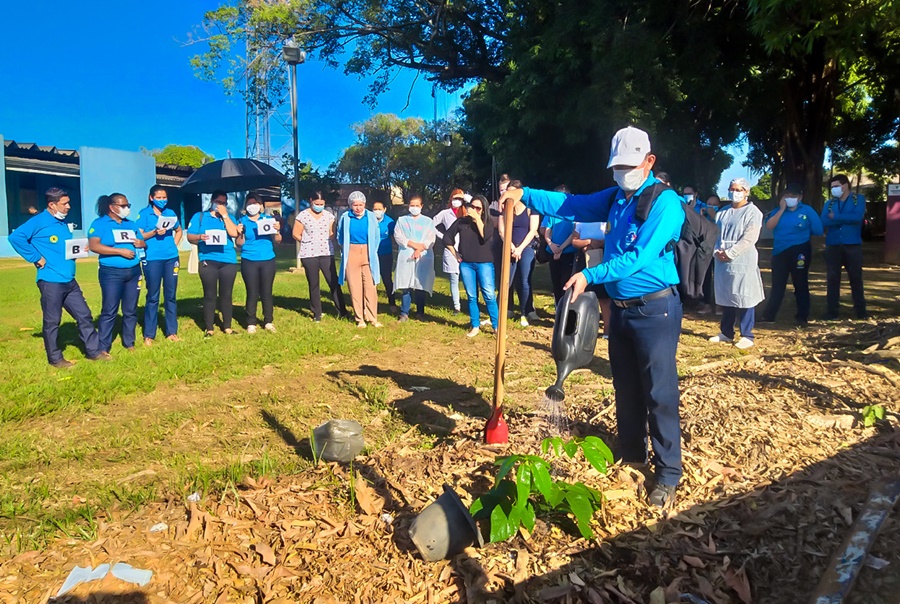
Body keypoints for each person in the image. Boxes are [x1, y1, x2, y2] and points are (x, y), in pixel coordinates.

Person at [501, 126, 685, 508]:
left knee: (659, 391)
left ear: (649, 162)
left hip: (655, 309)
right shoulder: (617, 198)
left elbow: (639, 257)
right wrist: (526, 194)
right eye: (617, 167)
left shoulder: (666, 204)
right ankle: (632, 452)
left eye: (628, 167)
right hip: (620, 311)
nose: (622, 174)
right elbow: (574, 205)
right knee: (625, 386)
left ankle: (668, 472)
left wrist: (590, 274)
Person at [9, 187, 109, 367]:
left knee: (84, 316)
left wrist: (79, 249)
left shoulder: (62, 223)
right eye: (64, 203)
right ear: (52, 205)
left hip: (69, 279)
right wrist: (35, 257)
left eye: (68, 202)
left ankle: (94, 352)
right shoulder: (39, 221)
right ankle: (55, 358)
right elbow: (15, 238)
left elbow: (62, 248)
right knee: (52, 321)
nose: (68, 206)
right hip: (50, 281)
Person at [708, 178, 764, 349]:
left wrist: (731, 252)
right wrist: (717, 251)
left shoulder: (753, 212)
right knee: (727, 294)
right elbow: (716, 234)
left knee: (744, 295)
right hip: (722, 260)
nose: (735, 193)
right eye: (732, 189)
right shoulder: (722, 212)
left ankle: (747, 334)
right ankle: (726, 332)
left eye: (739, 189)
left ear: (746, 192)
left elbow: (749, 237)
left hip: (743, 259)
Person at [88, 193, 146, 352]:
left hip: (134, 271)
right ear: (112, 207)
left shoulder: (131, 224)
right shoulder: (99, 224)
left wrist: (141, 243)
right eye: (123, 206)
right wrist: (120, 251)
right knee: (109, 310)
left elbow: (143, 242)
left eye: (128, 205)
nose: (126, 208)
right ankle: (103, 346)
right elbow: (94, 246)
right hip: (111, 273)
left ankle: (129, 342)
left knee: (130, 310)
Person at [760, 185, 823, 326]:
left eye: (793, 196)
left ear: (800, 197)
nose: (789, 198)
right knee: (778, 284)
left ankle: (802, 316)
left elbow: (818, 229)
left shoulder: (807, 210)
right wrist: (781, 210)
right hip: (780, 251)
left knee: (800, 282)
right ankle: (769, 315)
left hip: (800, 249)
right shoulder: (777, 211)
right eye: (786, 195)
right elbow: (769, 226)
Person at [186, 190, 241, 336]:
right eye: (218, 202)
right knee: (210, 294)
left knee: (226, 295)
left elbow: (234, 234)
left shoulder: (230, 217)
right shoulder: (200, 216)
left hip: (228, 260)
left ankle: (227, 326)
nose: (220, 205)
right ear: (212, 201)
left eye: (223, 203)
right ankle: (209, 328)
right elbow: (190, 236)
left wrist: (225, 216)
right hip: (208, 259)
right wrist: (200, 237)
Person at [444, 195, 499, 337]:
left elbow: (484, 236)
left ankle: (496, 327)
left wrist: (477, 219)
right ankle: (475, 325)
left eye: (478, 208)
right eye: (472, 207)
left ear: (483, 209)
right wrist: (455, 253)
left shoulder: (488, 222)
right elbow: (447, 238)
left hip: (485, 264)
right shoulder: (462, 222)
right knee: (472, 296)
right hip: (467, 264)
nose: (474, 210)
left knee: (489, 295)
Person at [135, 184, 182, 346]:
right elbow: (139, 236)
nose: (162, 200)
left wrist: (174, 246)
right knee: (153, 296)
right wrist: (154, 232)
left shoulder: (170, 213)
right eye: (159, 197)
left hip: (171, 258)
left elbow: (179, 230)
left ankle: (171, 332)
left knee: (171, 295)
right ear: (151, 198)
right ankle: (149, 334)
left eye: (164, 197)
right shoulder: (144, 214)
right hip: (152, 258)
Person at [293, 193, 347, 322]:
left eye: (321, 204)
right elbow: (296, 233)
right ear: (311, 201)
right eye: (316, 204)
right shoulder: (302, 216)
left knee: (333, 282)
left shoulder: (329, 216)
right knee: (314, 283)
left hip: (326, 252)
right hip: (309, 254)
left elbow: (332, 234)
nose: (319, 206)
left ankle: (342, 311)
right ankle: (317, 313)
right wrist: (307, 241)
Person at [821, 174, 868, 320]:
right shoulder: (829, 203)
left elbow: (857, 218)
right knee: (832, 278)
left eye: (836, 186)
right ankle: (832, 312)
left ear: (845, 185)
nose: (834, 189)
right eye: (832, 187)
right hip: (833, 244)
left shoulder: (858, 199)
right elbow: (824, 221)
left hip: (852, 244)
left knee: (856, 278)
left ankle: (861, 311)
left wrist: (836, 217)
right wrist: (845, 218)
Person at [337, 191, 382, 328]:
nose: (358, 208)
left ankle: (372, 318)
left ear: (365, 204)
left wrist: (372, 251)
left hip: (368, 252)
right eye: (355, 205)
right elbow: (340, 235)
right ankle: (359, 318)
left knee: (370, 286)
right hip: (352, 252)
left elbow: (377, 235)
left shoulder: (371, 216)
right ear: (350, 205)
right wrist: (346, 249)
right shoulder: (345, 217)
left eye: (360, 205)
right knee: (355, 287)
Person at [239, 193, 281, 333]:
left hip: (267, 259)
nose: (252, 206)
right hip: (249, 259)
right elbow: (239, 243)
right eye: (249, 203)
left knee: (266, 291)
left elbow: (278, 240)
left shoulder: (268, 219)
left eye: (255, 203)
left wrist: (277, 231)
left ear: (261, 205)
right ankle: (251, 322)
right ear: (246, 205)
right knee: (252, 292)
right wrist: (240, 233)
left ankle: (268, 321)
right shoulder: (242, 221)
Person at [498, 189, 540, 326]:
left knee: (524, 280)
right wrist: (511, 246)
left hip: (526, 248)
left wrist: (520, 248)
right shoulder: (506, 209)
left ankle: (525, 313)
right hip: (509, 248)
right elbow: (502, 231)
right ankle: (503, 310)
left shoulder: (530, 209)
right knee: (507, 280)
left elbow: (533, 230)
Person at [394, 195, 437, 321]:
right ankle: (404, 313)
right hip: (407, 255)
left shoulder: (428, 222)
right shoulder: (402, 220)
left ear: (421, 206)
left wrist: (420, 249)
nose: (414, 208)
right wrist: (413, 245)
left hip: (423, 256)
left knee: (420, 284)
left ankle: (420, 312)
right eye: (412, 205)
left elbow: (431, 239)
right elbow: (398, 236)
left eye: (417, 205)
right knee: (406, 284)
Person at [571, 220, 612, 338]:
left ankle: (607, 330)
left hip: (602, 258)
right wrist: (588, 242)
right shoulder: (580, 221)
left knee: (604, 296)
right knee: (581, 293)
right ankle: (579, 328)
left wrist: (597, 244)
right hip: (584, 260)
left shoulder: (605, 220)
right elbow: (574, 241)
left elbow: (610, 238)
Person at [433, 190, 464, 314]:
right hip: (451, 249)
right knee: (454, 278)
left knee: (469, 278)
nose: (456, 201)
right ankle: (457, 306)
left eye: (459, 198)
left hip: (466, 248)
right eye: (454, 198)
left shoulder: (467, 212)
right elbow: (431, 225)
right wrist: (443, 237)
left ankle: (472, 304)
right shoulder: (445, 213)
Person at [542, 196, 577, 304]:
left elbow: (573, 234)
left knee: (565, 282)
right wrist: (550, 244)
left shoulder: (573, 214)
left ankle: (566, 308)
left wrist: (560, 248)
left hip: (568, 253)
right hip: (553, 252)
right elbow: (547, 230)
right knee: (556, 282)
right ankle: (558, 307)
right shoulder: (552, 213)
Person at [372, 200, 397, 311]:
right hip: (372, 254)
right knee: (371, 279)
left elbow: (395, 237)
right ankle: (371, 303)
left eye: (379, 209)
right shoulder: (369, 220)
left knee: (387, 278)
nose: (377, 211)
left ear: (384, 209)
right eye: (375, 209)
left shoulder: (390, 222)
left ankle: (392, 303)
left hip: (385, 254)